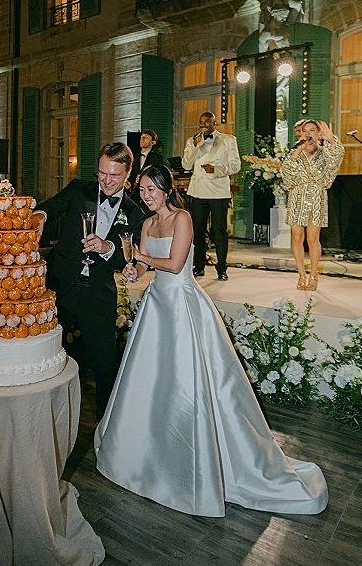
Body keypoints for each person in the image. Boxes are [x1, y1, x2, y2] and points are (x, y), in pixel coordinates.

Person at [94, 164, 328, 517]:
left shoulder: (183, 218)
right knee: (150, 383)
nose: (146, 195)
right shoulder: (145, 224)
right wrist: (133, 269)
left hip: (183, 306)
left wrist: (142, 258)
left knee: (190, 384)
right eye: (141, 190)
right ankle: (148, 453)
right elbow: (146, 267)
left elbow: (173, 265)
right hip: (156, 305)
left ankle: (197, 457)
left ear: (166, 189)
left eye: (151, 189)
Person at [32, 143, 145, 420]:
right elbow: (55, 205)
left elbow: (126, 258)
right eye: (102, 173)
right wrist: (40, 215)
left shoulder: (134, 213)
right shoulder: (79, 189)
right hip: (61, 286)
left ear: (129, 173)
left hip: (97, 294)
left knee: (106, 364)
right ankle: (39, 415)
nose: (106, 181)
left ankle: (106, 424)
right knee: (46, 354)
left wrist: (107, 247)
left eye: (114, 175)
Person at [281, 120, 344, 290]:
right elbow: (286, 175)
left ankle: (314, 275)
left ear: (318, 133)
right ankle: (301, 275)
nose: (308, 133)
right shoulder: (296, 152)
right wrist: (295, 153)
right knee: (297, 237)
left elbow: (335, 161)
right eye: (304, 131)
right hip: (297, 196)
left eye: (312, 130)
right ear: (300, 134)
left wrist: (331, 140)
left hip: (317, 196)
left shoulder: (325, 153)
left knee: (312, 238)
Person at [182, 112, 240, 280]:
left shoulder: (228, 140)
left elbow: (236, 165)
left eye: (207, 122)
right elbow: (186, 164)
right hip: (198, 191)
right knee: (198, 231)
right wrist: (194, 146)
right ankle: (198, 265)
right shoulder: (192, 141)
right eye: (201, 122)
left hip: (219, 191)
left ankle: (222, 268)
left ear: (215, 123)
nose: (204, 125)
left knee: (219, 230)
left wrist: (217, 170)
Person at [130, 129, 164, 214]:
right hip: (135, 195)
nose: (142, 139)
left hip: (149, 195)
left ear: (153, 142)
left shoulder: (157, 157)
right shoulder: (134, 157)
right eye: (141, 137)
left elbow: (156, 175)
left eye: (146, 137)